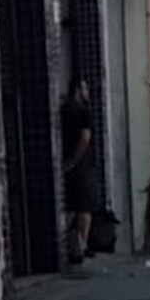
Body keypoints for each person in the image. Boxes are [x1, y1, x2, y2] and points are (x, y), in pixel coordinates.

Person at [61, 76, 98, 265]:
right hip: (81, 165)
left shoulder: (63, 110)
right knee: (84, 207)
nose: (87, 93)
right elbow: (85, 138)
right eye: (85, 89)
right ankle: (80, 247)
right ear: (77, 89)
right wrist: (76, 160)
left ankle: (63, 243)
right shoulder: (84, 112)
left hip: (66, 164)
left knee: (69, 206)